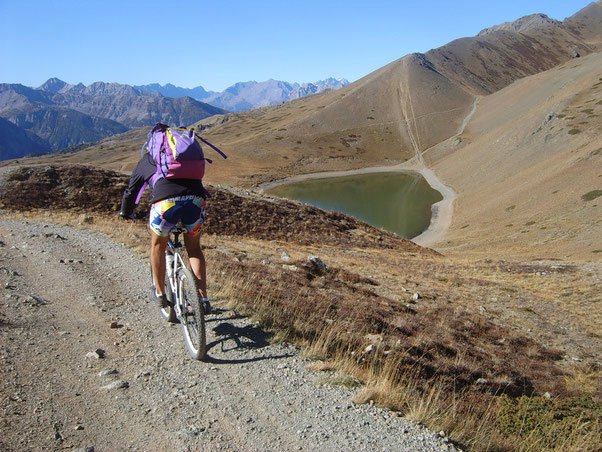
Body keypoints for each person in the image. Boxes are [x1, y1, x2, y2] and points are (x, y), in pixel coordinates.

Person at [119, 151, 211, 314]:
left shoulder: (147, 159)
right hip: (196, 200)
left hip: (165, 204)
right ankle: (203, 300)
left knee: (158, 247)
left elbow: (131, 191)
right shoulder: (184, 158)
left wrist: (125, 213)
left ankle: (160, 294)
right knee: (194, 249)